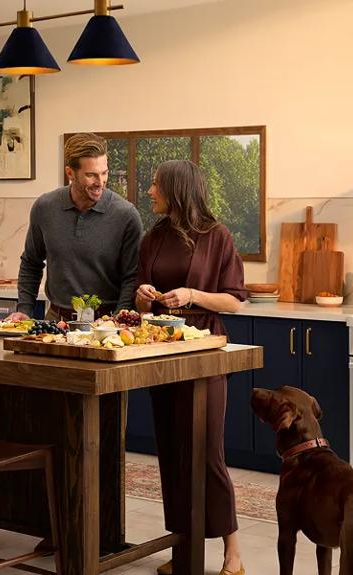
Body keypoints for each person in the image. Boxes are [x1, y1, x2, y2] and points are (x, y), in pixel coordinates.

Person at [134, 160, 249, 575]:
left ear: (177, 189)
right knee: (172, 453)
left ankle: (233, 554)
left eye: (156, 185)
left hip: (203, 353)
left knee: (206, 452)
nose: (150, 191)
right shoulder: (154, 237)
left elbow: (234, 300)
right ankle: (184, 551)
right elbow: (139, 300)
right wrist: (143, 296)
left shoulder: (217, 236)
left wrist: (193, 295)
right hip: (161, 353)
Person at [6, 133, 143, 323]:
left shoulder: (126, 215)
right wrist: (25, 309)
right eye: (91, 175)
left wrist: (118, 320)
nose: (100, 182)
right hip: (56, 320)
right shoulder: (45, 207)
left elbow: (131, 277)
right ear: (70, 173)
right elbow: (31, 263)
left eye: (104, 173)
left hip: (106, 323)